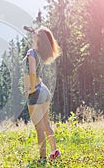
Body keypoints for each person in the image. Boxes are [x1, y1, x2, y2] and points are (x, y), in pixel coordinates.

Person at [23, 25, 61, 162]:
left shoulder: (32, 52)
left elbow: (32, 72)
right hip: (43, 89)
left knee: (39, 128)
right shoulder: (39, 53)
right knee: (46, 125)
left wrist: (31, 89)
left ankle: (43, 158)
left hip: (36, 92)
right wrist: (36, 32)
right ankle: (54, 152)